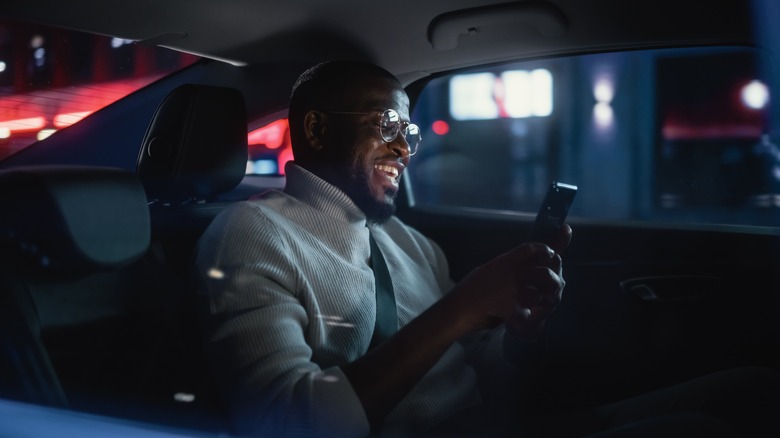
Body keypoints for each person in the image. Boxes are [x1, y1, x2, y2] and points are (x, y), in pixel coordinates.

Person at [195, 60, 780, 438]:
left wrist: (521, 330)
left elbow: (480, 376)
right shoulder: (252, 233)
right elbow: (282, 424)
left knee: (751, 388)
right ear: (319, 131)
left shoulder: (410, 243)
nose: (405, 150)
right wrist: (465, 306)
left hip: (495, 425)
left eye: (411, 133)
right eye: (387, 127)